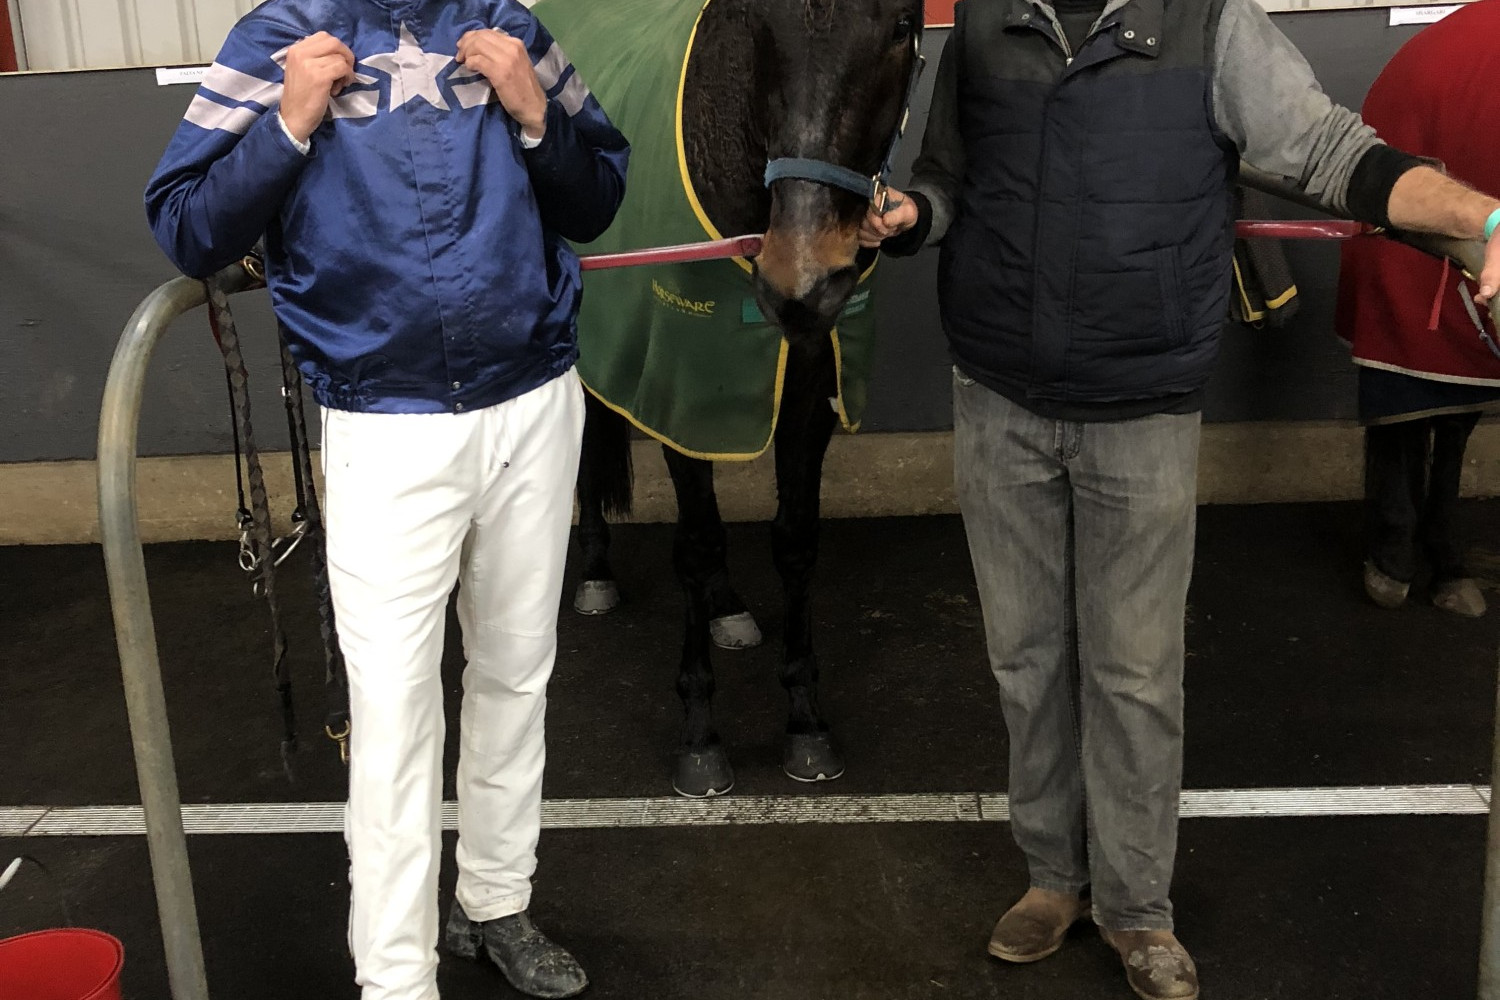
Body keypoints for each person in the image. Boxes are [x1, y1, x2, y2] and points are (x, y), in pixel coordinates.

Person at [859, 0, 1500, 994]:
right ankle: (1051, 879)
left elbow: (1335, 153)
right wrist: (910, 219)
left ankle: (1135, 909)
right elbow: (950, 180)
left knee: (1135, 673)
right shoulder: (986, 23)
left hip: (1141, 405)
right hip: (997, 397)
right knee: (1026, 658)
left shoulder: (1210, 22)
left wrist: (1484, 218)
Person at [145, 2, 628, 998]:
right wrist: (286, 125)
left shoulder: (506, 22)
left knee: (514, 671)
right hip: (385, 423)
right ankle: (397, 978)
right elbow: (185, 225)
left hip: (534, 400)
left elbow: (598, 196)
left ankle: (494, 901)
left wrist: (537, 113)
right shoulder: (280, 34)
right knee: (397, 710)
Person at [1335, 0, 1500, 620]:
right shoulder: (1463, 42)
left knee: (1441, 417)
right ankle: (1404, 552)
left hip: (1467, 256)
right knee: (1411, 415)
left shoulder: (1450, 40)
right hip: (1412, 249)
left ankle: (1420, 553)